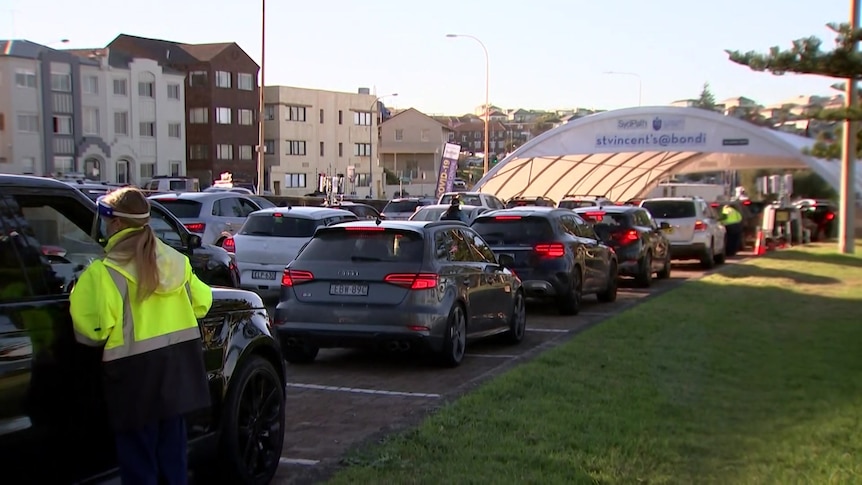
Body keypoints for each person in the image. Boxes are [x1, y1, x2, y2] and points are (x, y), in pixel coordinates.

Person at [70, 187, 213, 485]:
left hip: (134, 387)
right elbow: (203, 302)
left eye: (107, 219)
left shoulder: (104, 273)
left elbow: (92, 331)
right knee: (174, 468)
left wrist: (77, 293)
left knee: (139, 472)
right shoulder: (176, 262)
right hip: (175, 382)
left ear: (118, 224)